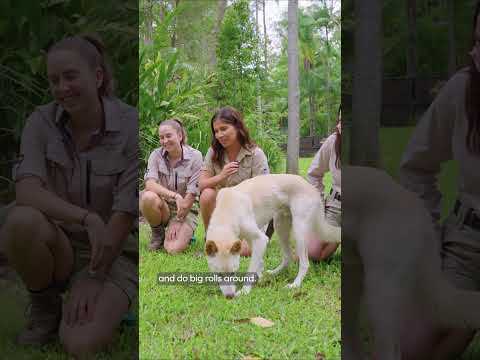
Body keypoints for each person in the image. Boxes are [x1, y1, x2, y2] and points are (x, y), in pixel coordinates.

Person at [0, 35, 138, 358]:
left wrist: (95, 275)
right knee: (21, 220)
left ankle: (103, 302)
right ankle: (45, 309)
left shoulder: (131, 124)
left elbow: (124, 213)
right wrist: (85, 218)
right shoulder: (41, 121)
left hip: (115, 251)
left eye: (71, 76)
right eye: (54, 80)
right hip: (60, 240)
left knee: (80, 344)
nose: (62, 88)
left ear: (98, 76)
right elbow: (27, 190)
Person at [399, 3, 480, 358]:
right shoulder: (464, 90)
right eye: (479, 41)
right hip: (469, 244)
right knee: (412, 348)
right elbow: (416, 167)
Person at [199, 106, 270, 257]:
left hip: (251, 212)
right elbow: (201, 184)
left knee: (242, 251)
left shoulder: (256, 154)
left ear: (238, 127)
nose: (219, 135)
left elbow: (264, 193)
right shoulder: (213, 152)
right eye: (216, 131)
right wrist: (221, 176)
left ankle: (262, 232)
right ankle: (210, 239)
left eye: (224, 129)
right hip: (224, 212)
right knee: (207, 194)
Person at [140, 118, 203, 254]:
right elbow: (150, 183)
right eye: (161, 137)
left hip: (186, 209)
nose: (165, 141)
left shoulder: (195, 157)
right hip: (164, 206)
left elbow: (192, 193)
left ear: (180, 136)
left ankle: (184, 233)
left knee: (172, 249)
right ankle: (158, 235)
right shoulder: (156, 155)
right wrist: (174, 195)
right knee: (147, 197)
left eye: (169, 136)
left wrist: (179, 220)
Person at [306, 107, 341, 261]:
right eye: (340, 120)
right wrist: (319, 203)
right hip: (337, 205)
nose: (341, 126)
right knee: (313, 253)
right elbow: (314, 173)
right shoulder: (334, 141)